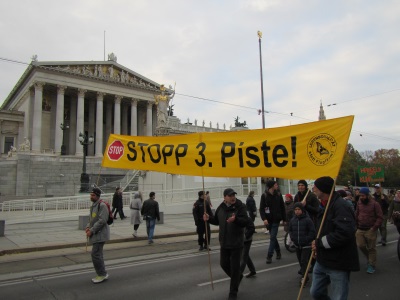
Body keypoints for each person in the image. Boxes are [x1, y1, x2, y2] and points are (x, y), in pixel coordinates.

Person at [310, 176, 360, 300]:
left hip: (338, 262)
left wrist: (320, 243)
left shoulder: (340, 206)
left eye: (316, 186)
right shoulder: (323, 205)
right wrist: (316, 245)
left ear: (324, 189)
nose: (313, 189)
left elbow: (344, 233)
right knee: (315, 292)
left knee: (338, 297)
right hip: (322, 260)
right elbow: (322, 230)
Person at [203, 188, 249, 300]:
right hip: (224, 242)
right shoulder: (221, 207)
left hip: (236, 243)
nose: (232, 197)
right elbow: (217, 221)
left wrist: (236, 219)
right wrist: (208, 219)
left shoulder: (240, 206)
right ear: (225, 197)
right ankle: (238, 276)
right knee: (223, 264)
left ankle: (233, 292)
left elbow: (245, 222)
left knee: (234, 268)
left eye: (233, 195)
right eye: (230, 195)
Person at [355, 187, 383, 274]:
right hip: (360, 229)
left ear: (367, 195)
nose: (361, 197)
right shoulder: (359, 203)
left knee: (371, 248)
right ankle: (370, 258)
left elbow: (380, 217)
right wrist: (356, 225)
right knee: (361, 245)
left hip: (370, 229)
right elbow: (357, 214)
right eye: (360, 196)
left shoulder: (375, 204)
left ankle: (371, 265)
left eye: (363, 196)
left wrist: (374, 228)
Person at [85, 187, 110, 284]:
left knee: (95, 254)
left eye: (93, 195)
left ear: (97, 196)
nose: (91, 196)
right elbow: (91, 219)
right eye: (90, 195)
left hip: (100, 234)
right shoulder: (94, 205)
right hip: (96, 233)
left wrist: (91, 231)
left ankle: (101, 275)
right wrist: (87, 227)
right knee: (98, 255)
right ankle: (103, 273)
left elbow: (102, 221)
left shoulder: (102, 205)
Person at [289, 202, 316, 286]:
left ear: (302, 210)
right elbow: (290, 230)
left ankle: (304, 278)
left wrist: (307, 239)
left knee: (304, 261)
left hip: (306, 245)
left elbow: (312, 231)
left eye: (299, 209)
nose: (297, 211)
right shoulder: (293, 220)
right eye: (295, 210)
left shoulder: (307, 220)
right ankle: (307, 272)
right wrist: (293, 238)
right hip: (297, 244)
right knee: (301, 261)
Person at [259, 180, 286, 264]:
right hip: (268, 220)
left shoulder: (278, 194)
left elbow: (282, 207)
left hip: (276, 220)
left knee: (272, 237)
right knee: (273, 237)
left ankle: (269, 255)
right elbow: (262, 208)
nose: (277, 185)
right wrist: (264, 219)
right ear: (271, 186)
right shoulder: (264, 196)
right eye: (275, 184)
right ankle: (278, 251)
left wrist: (284, 219)